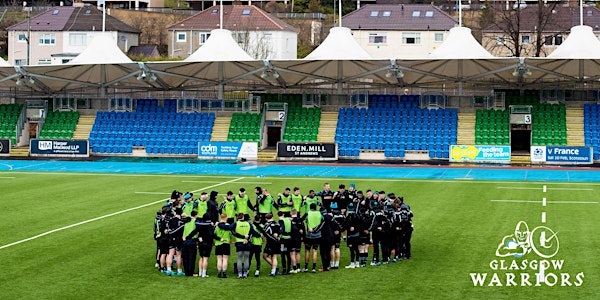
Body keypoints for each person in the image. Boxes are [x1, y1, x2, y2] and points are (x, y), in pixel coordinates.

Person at [217, 213, 261, 279]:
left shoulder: (236, 223)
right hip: (247, 243)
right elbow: (254, 232)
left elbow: (227, 227)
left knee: (239, 259)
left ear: (237, 217)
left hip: (239, 243)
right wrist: (259, 235)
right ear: (243, 217)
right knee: (246, 259)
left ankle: (240, 274)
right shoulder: (248, 224)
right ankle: (245, 273)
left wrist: (219, 224)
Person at [185, 212, 214, 277]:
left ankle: (200, 272)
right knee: (205, 258)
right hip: (207, 243)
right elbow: (211, 235)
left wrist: (187, 237)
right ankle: (204, 273)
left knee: (201, 257)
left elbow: (194, 232)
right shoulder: (209, 225)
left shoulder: (200, 225)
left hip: (201, 243)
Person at [166, 208, 187, 276]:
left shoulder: (170, 220)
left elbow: (169, 229)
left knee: (170, 254)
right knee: (179, 255)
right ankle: (179, 270)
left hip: (171, 238)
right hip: (178, 239)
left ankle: (168, 269)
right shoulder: (181, 221)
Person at [304, 203, 323, 273]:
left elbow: (305, 220)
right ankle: (313, 268)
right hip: (317, 235)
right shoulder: (319, 213)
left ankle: (306, 267)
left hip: (309, 235)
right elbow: (322, 220)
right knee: (315, 251)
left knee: (307, 250)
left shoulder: (308, 213)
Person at [181, 210, 199, 276]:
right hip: (192, 240)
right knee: (192, 257)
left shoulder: (186, 221)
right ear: (196, 215)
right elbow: (196, 231)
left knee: (185, 257)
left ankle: (186, 271)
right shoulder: (196, 222)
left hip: (184, 240)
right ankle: (191, 272)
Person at [214, 213, 232, 278]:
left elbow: (214, 234)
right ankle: (224, 273)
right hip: (226, 243)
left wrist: (219, 238)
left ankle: (219, 273)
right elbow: (231, 234)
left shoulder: (216, 226)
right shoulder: (228, 225)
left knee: (219, 259)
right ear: (225, 218)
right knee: (225, 259)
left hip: (218, 243)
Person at [155, 205, 171, 273]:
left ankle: (160, 266)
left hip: (159, 237)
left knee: (161, 252)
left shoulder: (157, 218)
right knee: (166, 253)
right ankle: (168, 267)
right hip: (165, 237)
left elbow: (155, 228)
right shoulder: (167, 219)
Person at [289, 208, 304, 273]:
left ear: (291, 213)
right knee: (298, 252)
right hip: (299, 238)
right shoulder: (300, 220)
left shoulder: (290, 221)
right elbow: (303, 230)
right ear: (296, 213)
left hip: (292, 238)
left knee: (292, 253)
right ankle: (298, 268)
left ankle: (294, 268)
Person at [278, 211, 292, 275]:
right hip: (289, 238)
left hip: (283, 239)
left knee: (283, 254)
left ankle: (284, 270)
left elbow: (282, 228)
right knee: (288, 254)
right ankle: (289, 269)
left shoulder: (280, 221)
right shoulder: (288, 220)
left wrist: (279, 236)